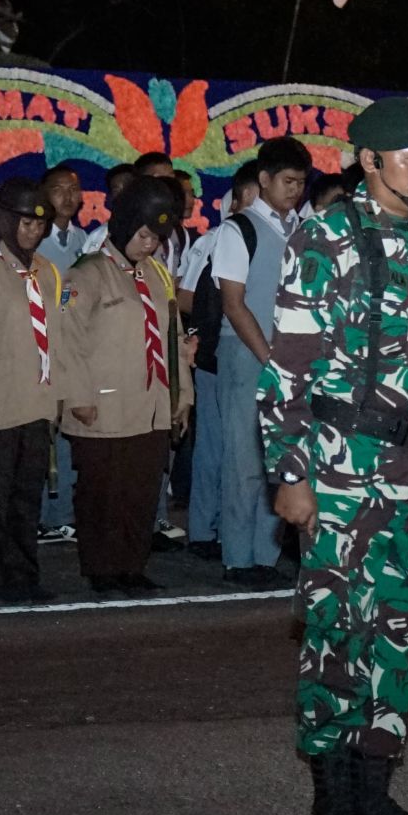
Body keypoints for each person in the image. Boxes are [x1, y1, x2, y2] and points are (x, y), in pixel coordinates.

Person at [259, 96, 408, 815]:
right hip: (344, 469)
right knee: (337, 631)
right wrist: (291, 472)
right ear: (369, 161)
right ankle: (334, 800)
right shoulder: (327, 236)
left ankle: (377, 793)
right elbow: (287, 369)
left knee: (405, 631)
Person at [61, 177, 193, 594]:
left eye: (156, 238)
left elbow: (173, 339)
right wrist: (77, 397)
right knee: (103, 492)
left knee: (140, 491)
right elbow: (66, 338)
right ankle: (101, 567)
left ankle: (131, 565)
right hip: (103, 405)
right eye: (143, 235)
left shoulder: (157, 275)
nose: (148, 245)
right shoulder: (88, 273)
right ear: (123, 226)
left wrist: (182, 397)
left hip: (150, 405)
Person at [0, 178, 69, 602]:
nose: (32, 231)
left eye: (39, 225)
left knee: (27, 495)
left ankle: (24, 573)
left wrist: (58, 391)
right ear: (6, 221)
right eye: (25, 222)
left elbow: (56, 335)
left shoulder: (46, 271)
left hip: (36, 400)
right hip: (0, 401)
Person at [213, 137, 311, 586]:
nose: (295, 190)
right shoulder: (239, 229)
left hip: (293, 358)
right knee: (244, 458)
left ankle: (265, 557)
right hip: (249, 352)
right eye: (288, 181)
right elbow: (234, 304)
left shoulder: (302, 229)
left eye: (301, 183)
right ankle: (238, 558)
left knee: (282, 459)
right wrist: (270, 359)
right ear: (264, 179)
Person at [177, 161, 258, 561]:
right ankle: (203, 530)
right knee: (214, 447)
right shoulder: (216, 239)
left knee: (245, 451)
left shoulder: (281, 235)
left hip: (249, 353)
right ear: (238, 201)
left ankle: (232, 528)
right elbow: (186, 296)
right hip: (215, 355)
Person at [34, 165, 87, 547]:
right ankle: (42, 516)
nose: (68, 197)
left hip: (77, 348)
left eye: (74, 189)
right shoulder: (34, 242)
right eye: (59, 189)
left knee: (70, 433)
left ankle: (63, 515)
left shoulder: (85, 241)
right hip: (43, 347)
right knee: (43, 433)